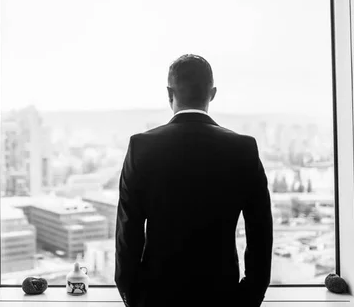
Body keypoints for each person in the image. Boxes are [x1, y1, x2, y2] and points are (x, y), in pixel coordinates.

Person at [115, 54, 273, 307]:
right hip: (222, 296)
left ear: (169, 93)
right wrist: (250, 297)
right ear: (212, 93)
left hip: (156, 296)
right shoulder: (243, 148)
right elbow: (260, 230)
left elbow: (128, 230)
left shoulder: (141, 147)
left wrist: (132, 295)